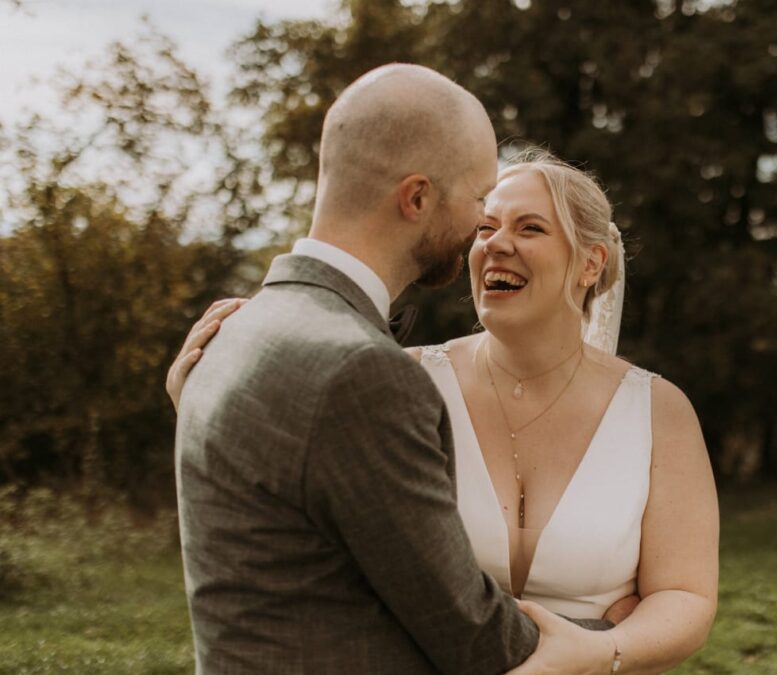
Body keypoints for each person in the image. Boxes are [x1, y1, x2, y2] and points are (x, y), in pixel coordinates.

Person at [171, 145, 720, 672]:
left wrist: (606, 653)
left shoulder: (657, 411)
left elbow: (685, 595)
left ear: (591, 263)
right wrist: (205, 402)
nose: (496, 244)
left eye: (529, 228)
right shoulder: (401, 383)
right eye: (485, 227)